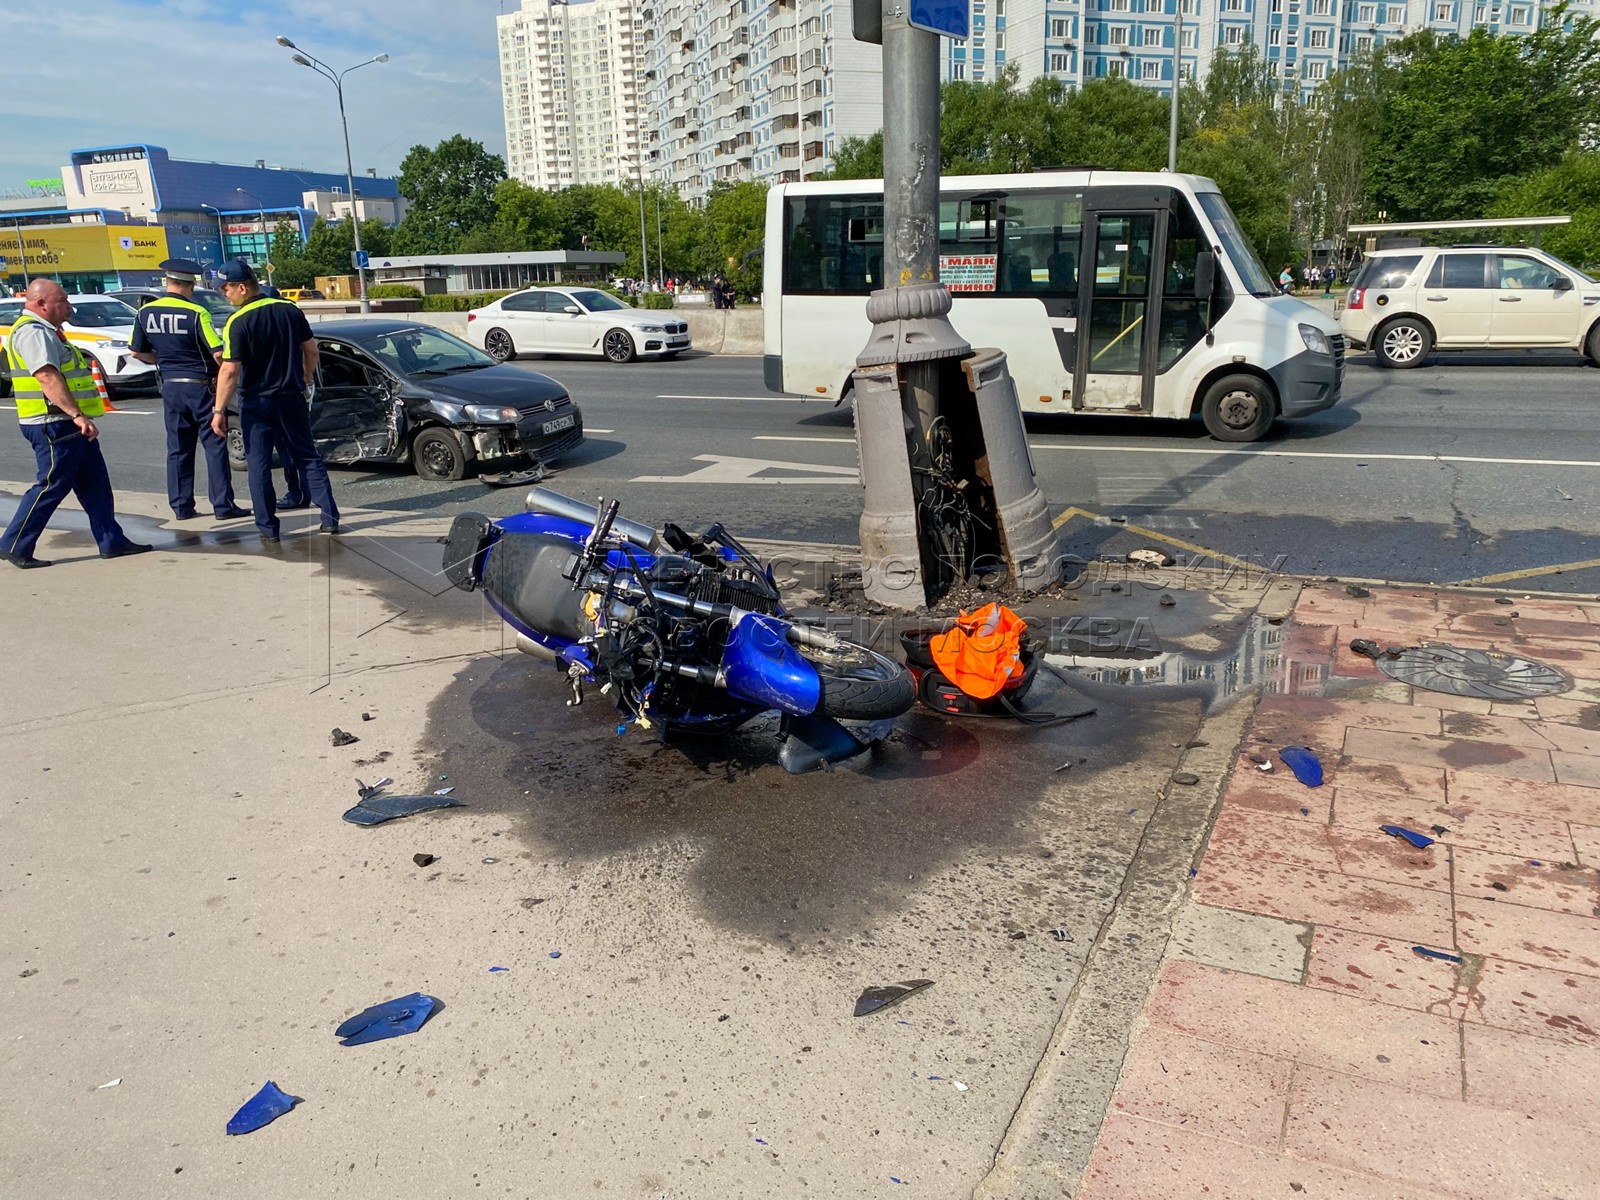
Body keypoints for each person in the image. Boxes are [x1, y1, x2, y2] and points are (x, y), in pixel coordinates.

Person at [1, 280, 153, 568]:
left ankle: (112, 541)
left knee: (95, 484)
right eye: (63, 300)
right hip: (53, 422)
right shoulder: (33, 332)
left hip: (65, 422)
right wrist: (76, 415)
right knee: (50, 486)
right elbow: (47, 377)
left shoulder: (49, 332)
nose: (69, 306)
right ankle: (14, 544)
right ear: (41, 304)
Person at [209, 260, 338, 544]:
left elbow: (230, 370)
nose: (223, 294)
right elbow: (312, 350)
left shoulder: (237, 321)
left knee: (259, 464)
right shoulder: (290, 310)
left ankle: (269, 529)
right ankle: (329, 519)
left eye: (226, 288)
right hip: (291, 396)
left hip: (257, 402)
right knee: (307, 456)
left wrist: (219, 410)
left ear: (242, 288)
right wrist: (304, 375)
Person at [129, 258, 251, 522]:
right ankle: (222, 505)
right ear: (191, 285)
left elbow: (137, 351)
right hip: (200, 388)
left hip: (171, 388)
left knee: (178, 448)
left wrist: (164, 360)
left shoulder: (145, 313)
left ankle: (182, 506)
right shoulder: (197, 314)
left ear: (168, 282)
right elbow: (218, 352)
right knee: (215, 445)